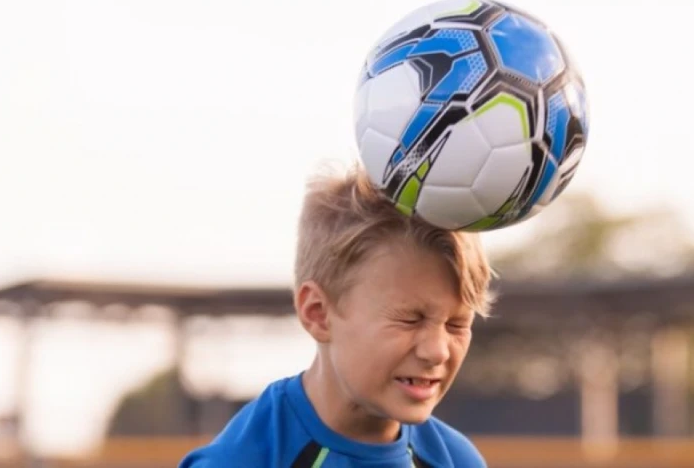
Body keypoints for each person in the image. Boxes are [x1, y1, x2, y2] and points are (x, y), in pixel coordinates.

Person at [179, 165, 494, 467]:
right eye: (409, 319)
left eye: (457, 324)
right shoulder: (241, 461)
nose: (437, 350)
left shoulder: (457, 460)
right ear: (317, 313)